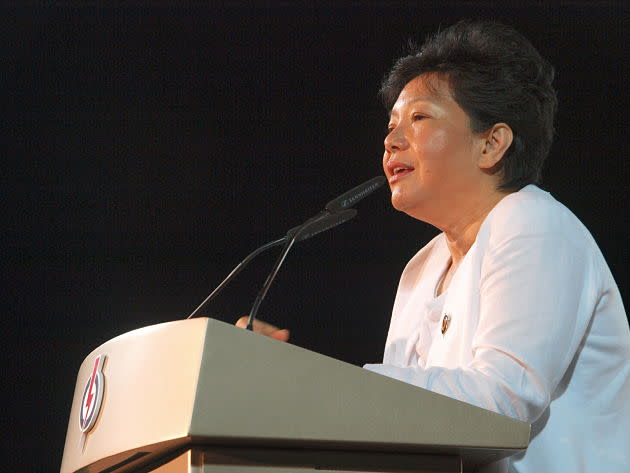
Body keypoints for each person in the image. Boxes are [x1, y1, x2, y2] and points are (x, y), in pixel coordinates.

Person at [238, 20, 629, 473]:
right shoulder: (422, 267)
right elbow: (402, 426)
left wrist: (318, 384)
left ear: (491, 143)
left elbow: (500, 403)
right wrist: (293, 380)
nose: (391, 141)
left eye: (419, 118)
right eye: (391, 125)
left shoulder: (533, 222)